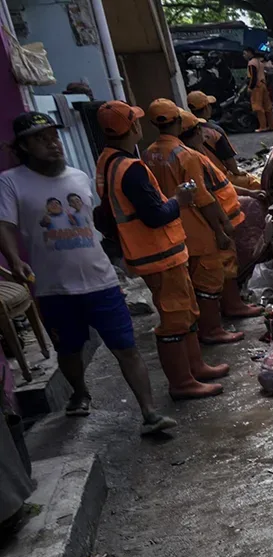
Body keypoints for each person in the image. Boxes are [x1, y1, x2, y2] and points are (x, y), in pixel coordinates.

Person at [0, 111, 178, 433]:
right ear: (23, 147)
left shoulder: (79, 177)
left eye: (53, 136)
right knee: (68, 349)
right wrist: (14, 259)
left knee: (126, 346)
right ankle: (80, 392)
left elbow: (92, 224)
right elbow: (5, 226)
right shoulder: (11, 182)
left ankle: (149, 412)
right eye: (41, 139)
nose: (52, 144)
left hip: (101, 281)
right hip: (55, 288)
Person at [94, 100, 225, 400]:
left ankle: (196, 368)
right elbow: (155, 216)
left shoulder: (110, 160)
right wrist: (178, 200)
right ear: (134, 126)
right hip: (158, 253)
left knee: (186, 310)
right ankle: (182, 382)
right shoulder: (130, 169)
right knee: (174, 319)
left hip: (160, 252)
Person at [142, 99, 244, 346]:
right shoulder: (185, 155)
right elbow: (203, 197)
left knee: (193, 283)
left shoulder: (149, 153)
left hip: (173, 227)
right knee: (209, 280)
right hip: (196, 226)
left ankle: (205, 327)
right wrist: (220, 229)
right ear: (177, 122)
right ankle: (212, 330)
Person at [178, 110, 263, 320]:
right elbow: (207, 195)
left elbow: (219, 185)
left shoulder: (189, 156)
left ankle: (230, 306)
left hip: (212, 220)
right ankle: (233, 307)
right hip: (217, 220)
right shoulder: (192, 159)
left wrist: (248, 193)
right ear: (197, 132)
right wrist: (222, 226)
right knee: (226, 266)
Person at [186, 92, 261, 191]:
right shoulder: (214, 131)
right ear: (207, 108)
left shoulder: (185, 132)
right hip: (220, 178)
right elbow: (230, 162)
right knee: (257, 182)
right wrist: (237, 172)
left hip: (199, 179)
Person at [243, 47, 273, 132]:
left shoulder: (251, 63)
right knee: (268, 106)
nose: (244, 56)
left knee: (258, 107)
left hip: (257, 86)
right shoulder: (259, 62)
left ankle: (263, 126)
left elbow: (253, 76)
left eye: (245, 53)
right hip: (263, 84)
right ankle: (271, 125)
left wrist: (250, 87)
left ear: (250, 53)